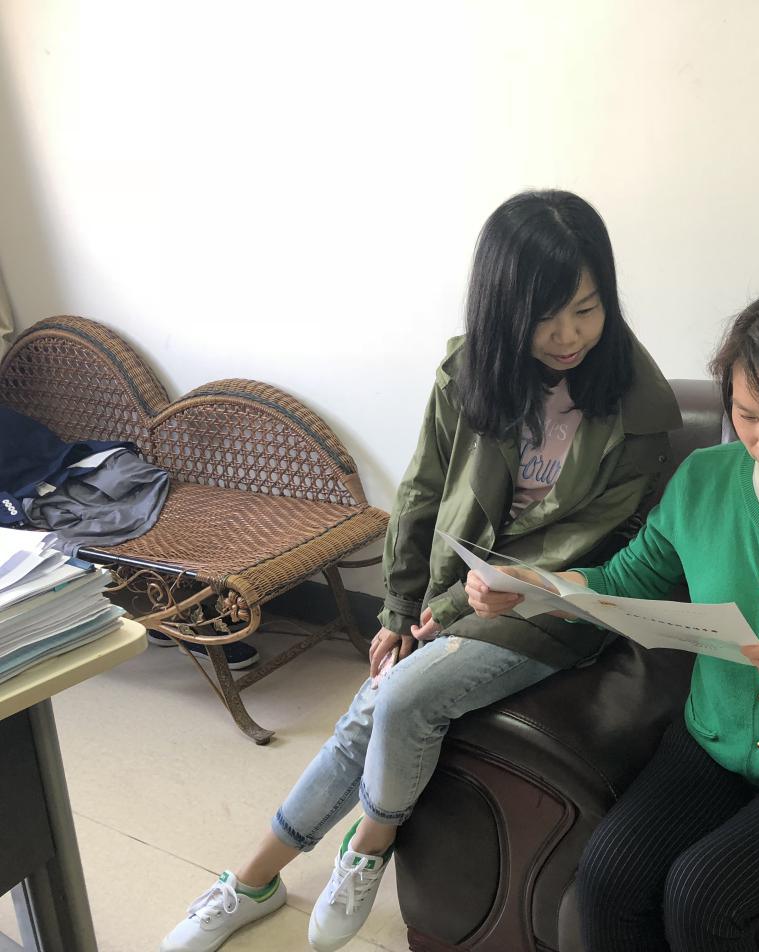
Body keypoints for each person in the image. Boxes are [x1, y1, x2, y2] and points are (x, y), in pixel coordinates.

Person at [159, 190, 681, 952]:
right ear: (503, 308)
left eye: (586, 309)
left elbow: (593, 540)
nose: (568, 335)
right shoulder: (470, 371)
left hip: (553, 611)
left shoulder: (640, 405)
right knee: (376, 699)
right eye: (545, 317)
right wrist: (399, 612)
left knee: (400, 697)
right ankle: (251, 880)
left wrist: (466, 609)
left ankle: (366, 845)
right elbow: (421, 492)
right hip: (454, 591)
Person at [467, 285, 759, 952]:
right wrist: (537, 587)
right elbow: (626, 581)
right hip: (710, 747)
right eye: (746, 415)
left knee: (699, 894)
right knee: (604, 880)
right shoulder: (704, 479)